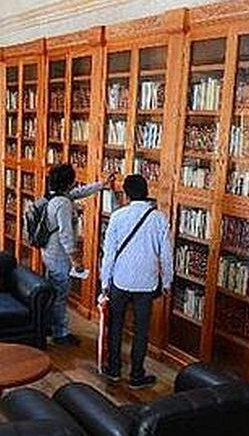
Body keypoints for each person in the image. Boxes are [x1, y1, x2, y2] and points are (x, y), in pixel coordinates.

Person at [99, 174, 173, 388]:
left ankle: (114, 369)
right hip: (147, 283)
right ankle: (137, 375)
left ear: (126, 194)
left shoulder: (117, 216)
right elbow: (166, 255)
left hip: (120, 280)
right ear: (146, 192)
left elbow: (109, 253)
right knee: (141, 330)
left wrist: (105, 282)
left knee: (116, 325)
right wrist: (167, 282)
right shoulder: (159, 218)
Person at [41, 164, 110, 346]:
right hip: (59, 255)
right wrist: (75, 259)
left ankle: (48, 325)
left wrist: (101, 185)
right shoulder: (63, 203)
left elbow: (80, 192)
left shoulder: (54, 196)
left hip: (49, 251)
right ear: (69, 182)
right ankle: (60, 334)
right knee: (60, 294)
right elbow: (66, 234)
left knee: (53, 291)